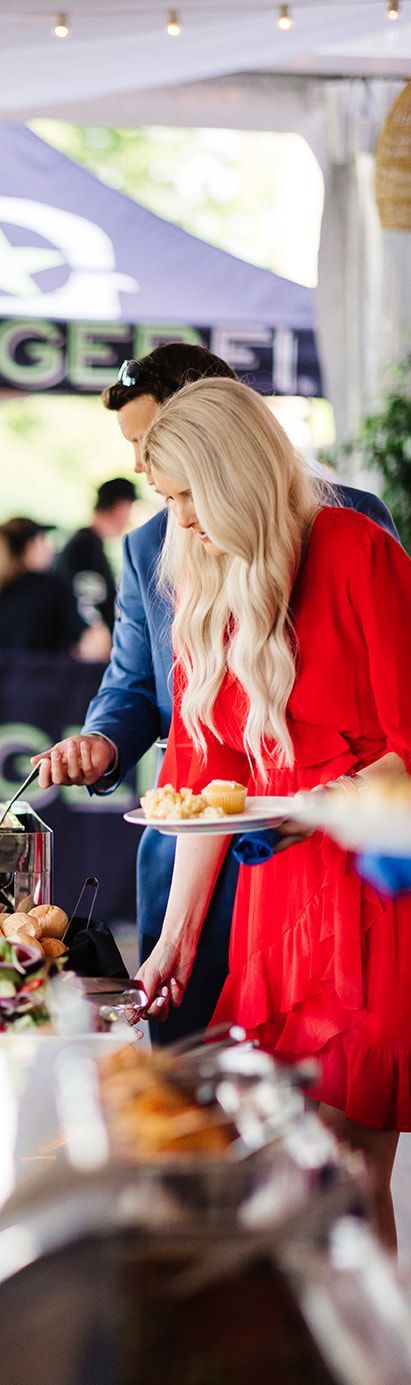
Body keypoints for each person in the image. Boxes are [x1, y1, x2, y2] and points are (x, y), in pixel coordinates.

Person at [33, 342, 398, 1043]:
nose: (144, 474)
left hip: (354, 872)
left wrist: (330, 803)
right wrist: (102, 739)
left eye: (152, 447)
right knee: (203, 1087)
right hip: (231, 875)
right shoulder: (173, 554)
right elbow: (172, 723)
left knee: (330, 1113)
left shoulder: (354, 536)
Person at [131, 378, 411, 1246]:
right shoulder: (201, 581)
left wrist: (328, 804)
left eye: (185, 496)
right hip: (275, 897)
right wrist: (175, 939)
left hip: (372, 886)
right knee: (286, 1149)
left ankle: (381, 1369)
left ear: (234, 476)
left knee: (350, 1158)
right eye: (166, 500)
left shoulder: (357, 550)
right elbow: (199, 782)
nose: (177, 522)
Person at [0, 517, 92, 652]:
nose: (50, 550)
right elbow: (86, 640)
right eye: (44, 541)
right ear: (30, 546)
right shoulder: (52, 588)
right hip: (42, 674)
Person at [54, 477, 138, 644]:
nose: (129, 519)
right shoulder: (86, 545)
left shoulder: (87, 543)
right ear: (121, 507)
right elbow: (85, 598)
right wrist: (95, 629)